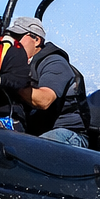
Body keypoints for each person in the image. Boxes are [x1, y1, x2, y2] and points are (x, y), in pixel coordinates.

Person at [7, 16, 91, 148]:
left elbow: (44, 100)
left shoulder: (55, 63)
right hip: (34, 132)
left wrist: (10, 82)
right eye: (11, 37)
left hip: (68, 134)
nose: (14, 42)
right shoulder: (16, 64)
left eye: (18, 37)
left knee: (32, 148)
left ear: (36, 40)